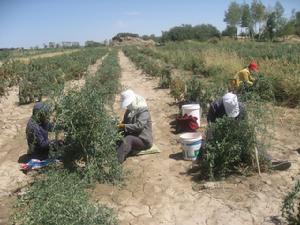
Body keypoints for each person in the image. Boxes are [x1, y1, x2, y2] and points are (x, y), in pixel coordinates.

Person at [206, 92, 291, 171]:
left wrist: (246, 138)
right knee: (210, 147)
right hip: (220, 134)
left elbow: (245, 127)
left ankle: (268, 162)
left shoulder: (241, 108)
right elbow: (211, 128)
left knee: (252, 143)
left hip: (236, 132)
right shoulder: (214, 107)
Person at [117, 89, 153, 163]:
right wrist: (119, 127)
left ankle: (117, 161)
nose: (127, 106)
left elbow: (139, 126)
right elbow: (125, 122)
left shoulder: (143, 110)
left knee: (128, 139)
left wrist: (123, 126)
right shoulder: (129, 110)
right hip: (134, 135)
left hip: (143, 140)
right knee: (119, 138)